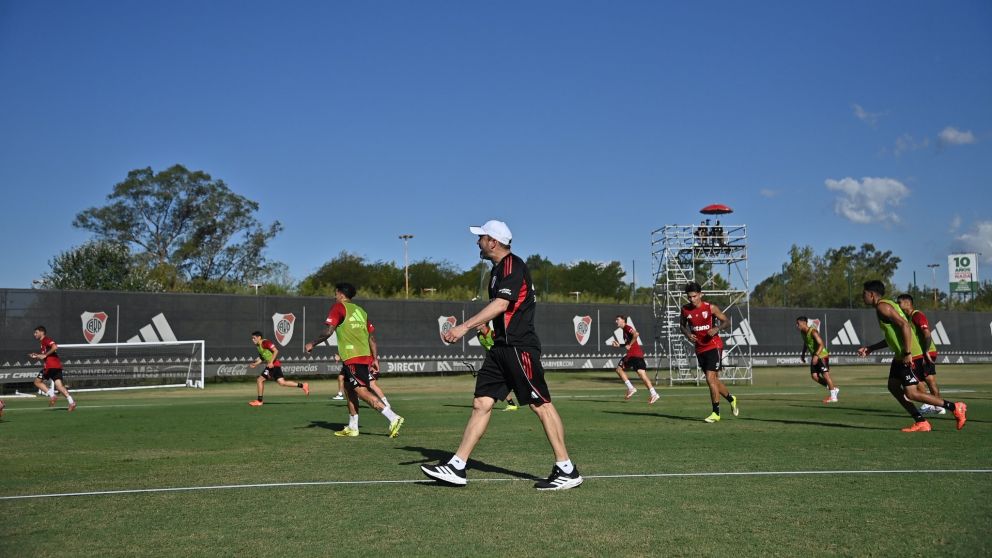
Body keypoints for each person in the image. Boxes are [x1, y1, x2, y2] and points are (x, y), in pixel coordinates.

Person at [421, 220, 582, 490]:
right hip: (501, 348)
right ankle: (457, 466)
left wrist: (463, 327)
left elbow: (502, 303)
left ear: (493, 242)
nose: (478, 242)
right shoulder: (497, 270)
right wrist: (488, 326)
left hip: (519, 347)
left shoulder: (512, 265)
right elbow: (502, 309)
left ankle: (566, 468)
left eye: (481, 237)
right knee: (482, 403)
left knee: (540, 404)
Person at [857, 280, 966, 432]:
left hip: (909, 354)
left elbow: (905, 326)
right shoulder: (885, 306)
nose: (863, 297)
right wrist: (871, 348)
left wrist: (908, 353)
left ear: (871, 294)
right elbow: (893, 335)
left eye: (864, 294)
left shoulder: (883, 306)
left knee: (912, 393)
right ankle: (921, 421)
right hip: (900, 355)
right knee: (893, 386)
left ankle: (955, 407)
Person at [306, 282, 404, 438]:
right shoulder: (361, 311)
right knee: (348, 389)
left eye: (335, 293)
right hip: (361, 356)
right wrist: (375, 358)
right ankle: (353, 427)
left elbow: (329, 330)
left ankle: (393, 417)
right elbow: (371, 337)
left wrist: (312, 343)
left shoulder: (339, 307)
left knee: (361, 391)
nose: (334, 296)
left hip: (353, 357)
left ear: (341, 294)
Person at [679, 282, 738, 422]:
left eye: (694, 296)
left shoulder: (710, 308)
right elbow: (682, 325)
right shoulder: (685, 310)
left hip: (714, 345)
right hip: (699, 348)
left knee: (710, 378)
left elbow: (726, 321)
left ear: (700, 294)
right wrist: (688, 334)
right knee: (714, 380)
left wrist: (717, 329)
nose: (692, 299)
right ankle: (731, 398)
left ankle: (716, 413)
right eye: (689, 297)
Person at [896, 293, 946, 416]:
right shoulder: (907, 318)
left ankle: (935, 405)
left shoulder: (917, 315)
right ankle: (934, 406)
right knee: (924, 379)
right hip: (922, 352)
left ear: (907, 303)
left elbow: (927, 334)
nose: (897, 305)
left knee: (925, 380)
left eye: (899, 302)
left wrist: (926, 351)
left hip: (927, 352)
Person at [248, 331, 310, 406]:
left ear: (259, 337)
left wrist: (271, 362)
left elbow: (276, 351)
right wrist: (255, 364)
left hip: (273, 365)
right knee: (282, 382)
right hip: (275, 365)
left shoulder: (265, 342)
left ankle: (259, 401)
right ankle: (303, 385)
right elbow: (262, 357)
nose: (252, 339)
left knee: (259, 380)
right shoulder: (258, 346)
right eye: (252, 338)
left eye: (254, 338)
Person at [610, 315, 659, 404]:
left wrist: (630, 344)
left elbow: (636, 334)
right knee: (639, 374)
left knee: (621, 369)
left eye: (617, 319)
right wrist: (619, 345)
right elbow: (628, 345)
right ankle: (653, 393)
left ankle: (633, 388)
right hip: (634, 355)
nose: (616, 321)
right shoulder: (624, 331)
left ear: (623, 321)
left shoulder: (627, 327)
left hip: (634, 355)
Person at [30, 326, 76, 411]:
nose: (34, 334)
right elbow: (45, 355)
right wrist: (37, 355)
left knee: (37, 382)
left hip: (50, 366)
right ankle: (71, 402)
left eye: (36, 332)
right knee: (59, 386)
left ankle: (52, 395)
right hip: (57, 366)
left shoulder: (45, 340)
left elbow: (54, 347)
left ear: (41, 332)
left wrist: (45, 355)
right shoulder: (43, 343)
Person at [796, 316, 839, 403]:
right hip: (815, 356)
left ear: (804, 323)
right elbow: (806, 342)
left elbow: (821, 344)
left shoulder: (813, 331)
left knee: (826, 375)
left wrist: (816, 355)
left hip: (822, 355)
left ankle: (833, 397)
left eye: (798, 323)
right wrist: (803, 354)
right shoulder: (802, 332)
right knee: (814, 376)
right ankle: (833, 388)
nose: (796, 325)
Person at [477, 323, 518, 411]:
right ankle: (511, 404)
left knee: (503, 382)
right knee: (498, 384)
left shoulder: (493, 334)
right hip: (492, 361)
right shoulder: (479, 335)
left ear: (484, 325)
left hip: (502, 360)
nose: (477, 324)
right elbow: (486, 348)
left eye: (480, 323)